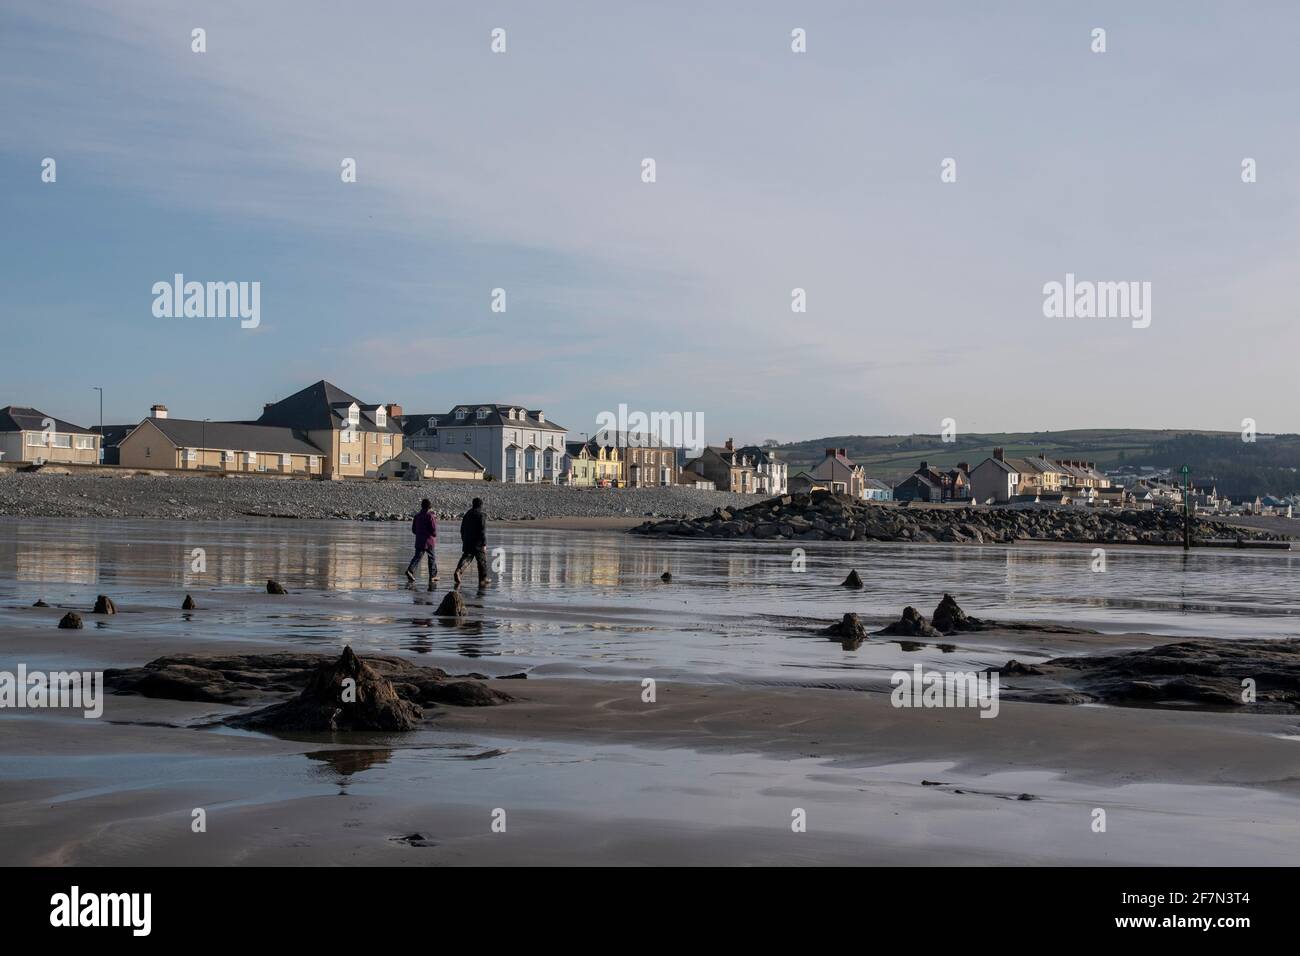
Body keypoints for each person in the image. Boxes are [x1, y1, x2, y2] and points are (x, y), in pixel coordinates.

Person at [453, 497, 490, 588]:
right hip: (478, 543)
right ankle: (483, 578)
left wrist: (464, 539)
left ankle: (458, 571)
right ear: (481, 505)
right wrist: (484, 544)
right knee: (482, 561)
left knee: (467, 557)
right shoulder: (482, 515)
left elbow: (462, 529)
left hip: (468, 541)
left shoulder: (467, 514)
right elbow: (482, 531)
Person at [405, 499, 438, 586]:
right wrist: (434, 535)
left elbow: (414, 530)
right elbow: (433, 530)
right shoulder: (430, 516)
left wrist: (419, 534)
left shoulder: (417, 516)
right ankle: (432, 576)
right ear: (429, 507)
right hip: (429, 541)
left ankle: (410, 570)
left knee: (417, 557)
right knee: (432, 558)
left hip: (419, 541)